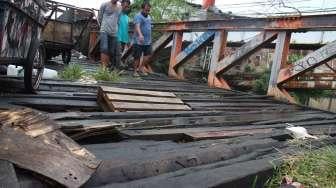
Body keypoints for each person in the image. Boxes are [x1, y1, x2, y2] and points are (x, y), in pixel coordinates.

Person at [98, 0, 121, 69]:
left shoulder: (120, 6)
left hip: (114, 32)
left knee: (111, 51)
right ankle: (103, 67)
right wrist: (103, 25)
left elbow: (118, 19)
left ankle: (107, 66)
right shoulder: (104, 4)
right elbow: (100, 17)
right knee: (104, 48)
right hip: (104, 30)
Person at [133, 2, 152, 75]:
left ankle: (141, 67)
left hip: (148, 41)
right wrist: (140, 35)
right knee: (137, 57)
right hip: (138, 41)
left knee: (148, 55)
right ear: (142, 9)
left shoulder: (149, 17)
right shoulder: (138, 16)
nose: (147, 12)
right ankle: (135, 71)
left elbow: (148, 26)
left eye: (148, 10)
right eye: (146, 10)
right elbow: (137, 26)